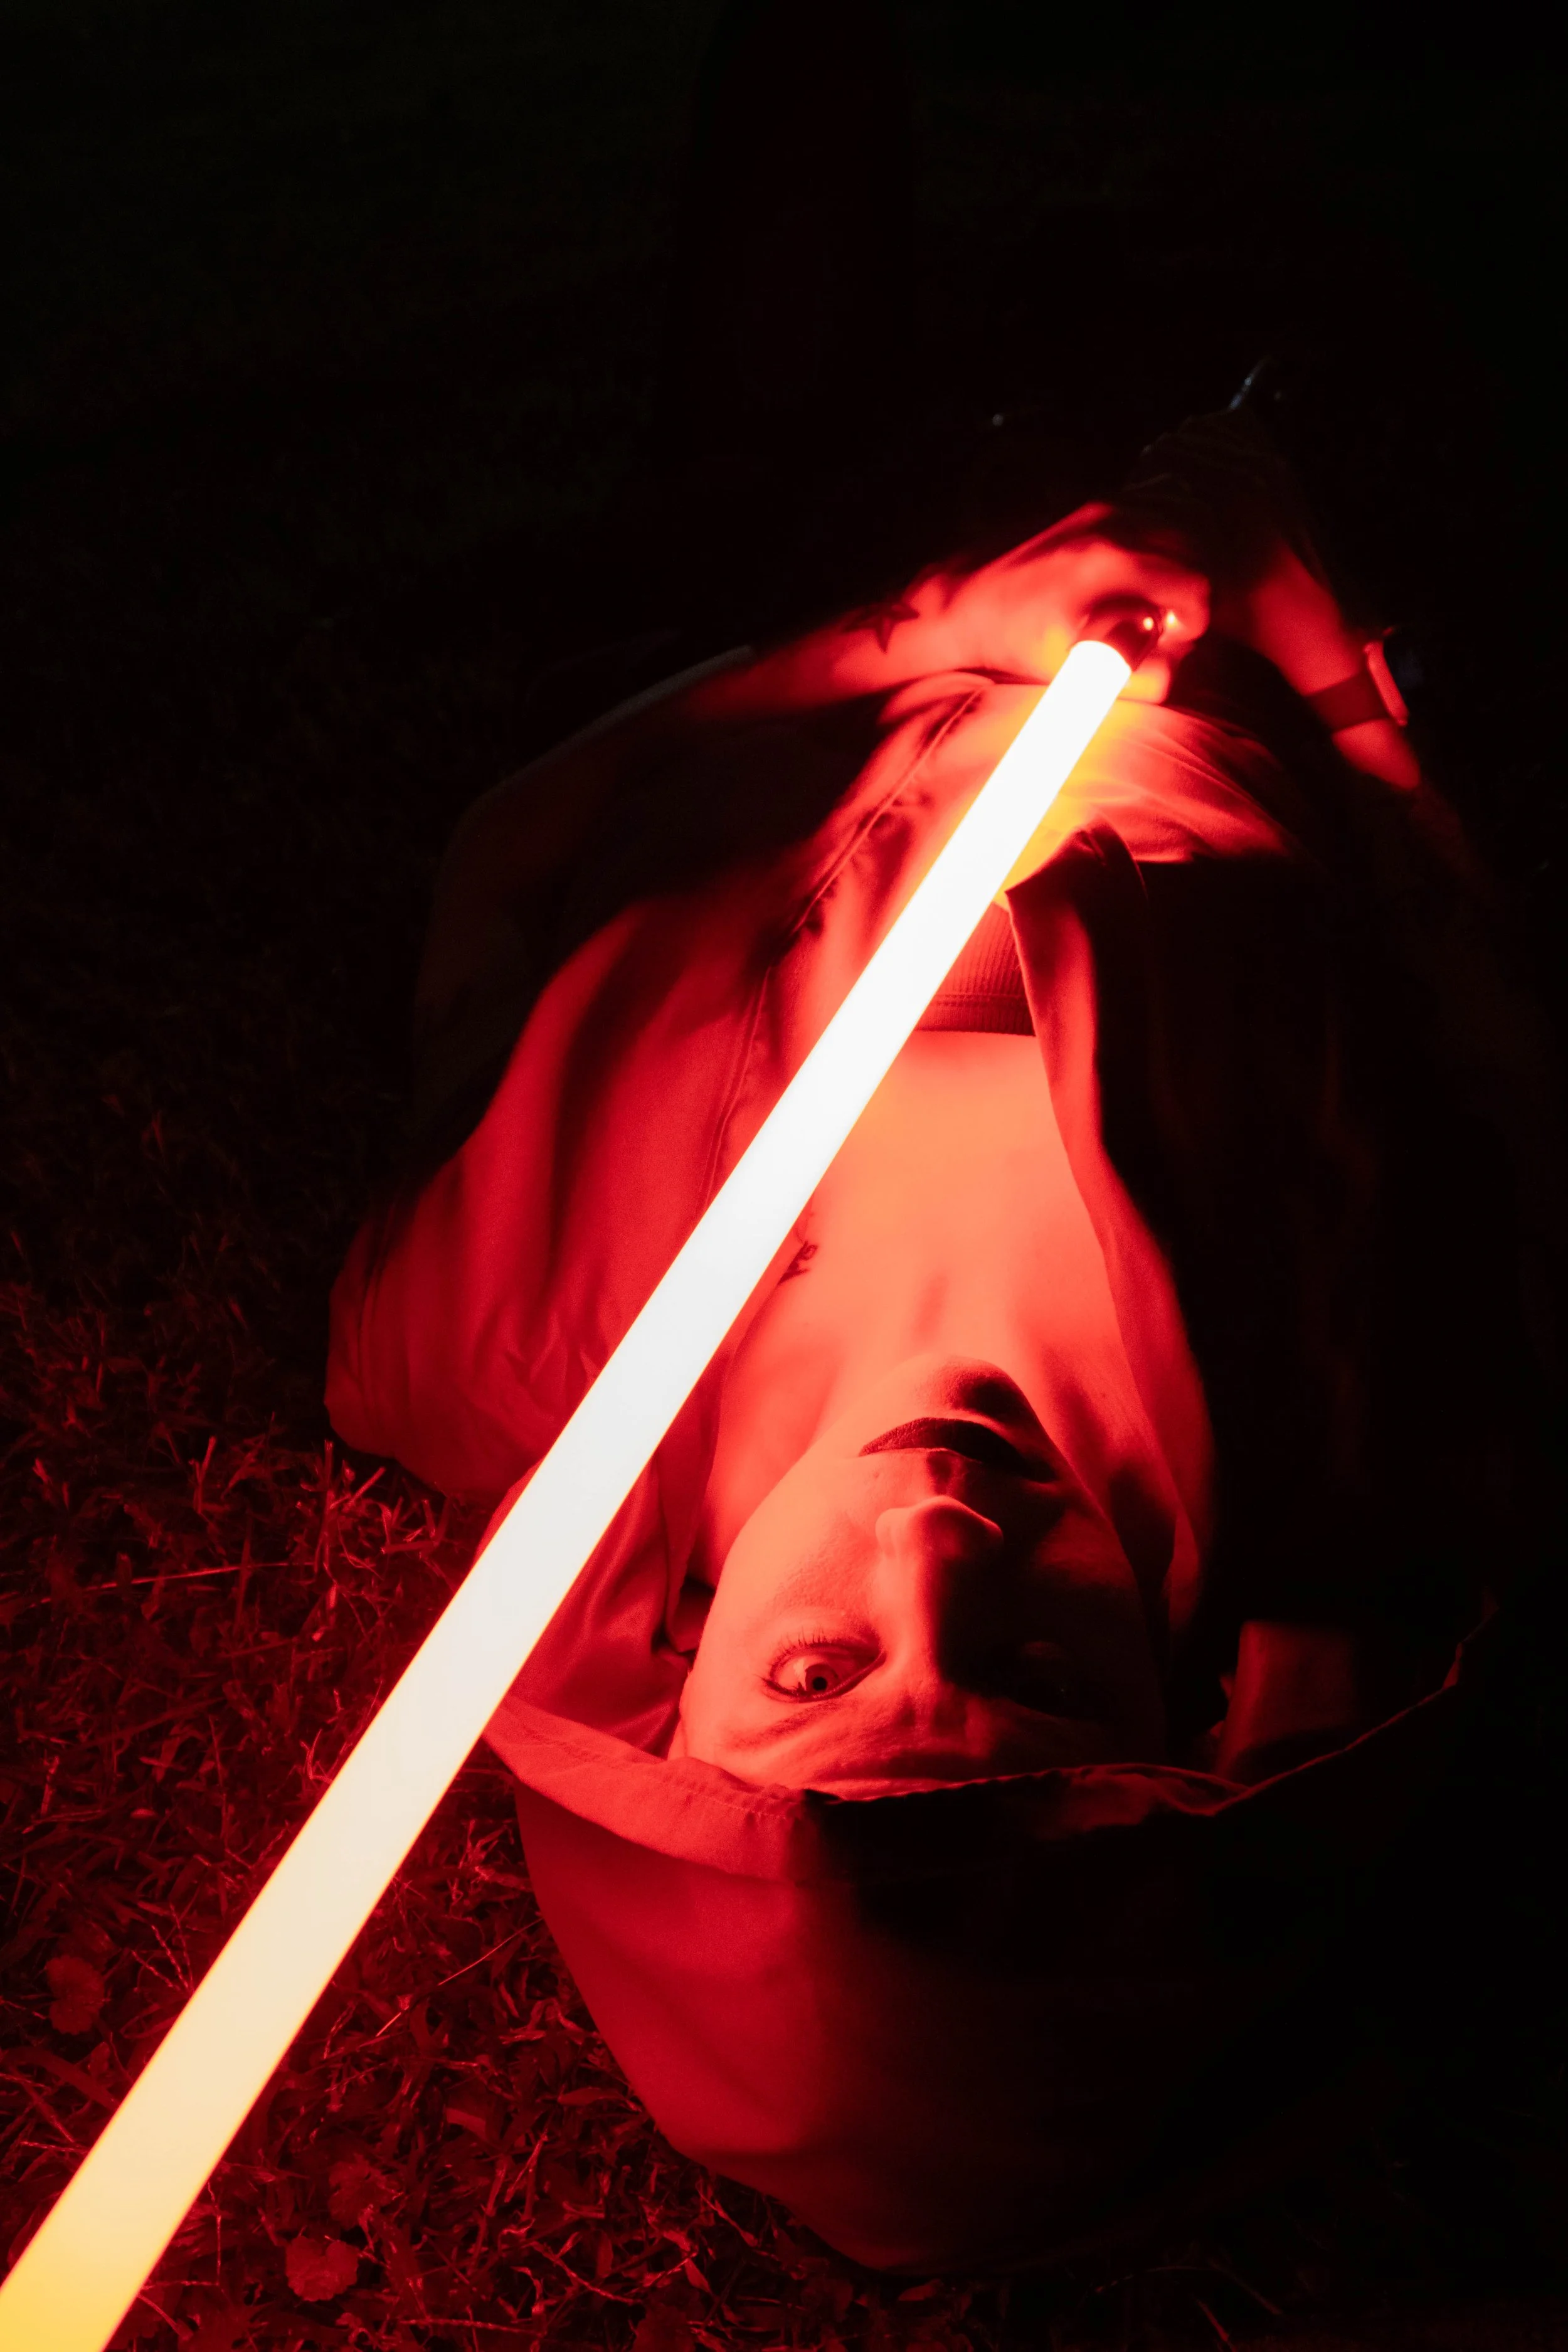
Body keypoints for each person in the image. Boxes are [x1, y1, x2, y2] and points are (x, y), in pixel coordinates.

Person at [326, 416, 1562, 2268]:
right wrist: (1328, 663)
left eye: (819, 1669)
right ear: (1188, 1712)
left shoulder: (494, 1339)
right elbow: (1473, 1016)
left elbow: (502, 857)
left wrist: (914, 624)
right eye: (1037, 1660)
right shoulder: (1380, 1416)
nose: (932, 1536)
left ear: (678, 1685)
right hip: (1212, 614)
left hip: (840, 575)